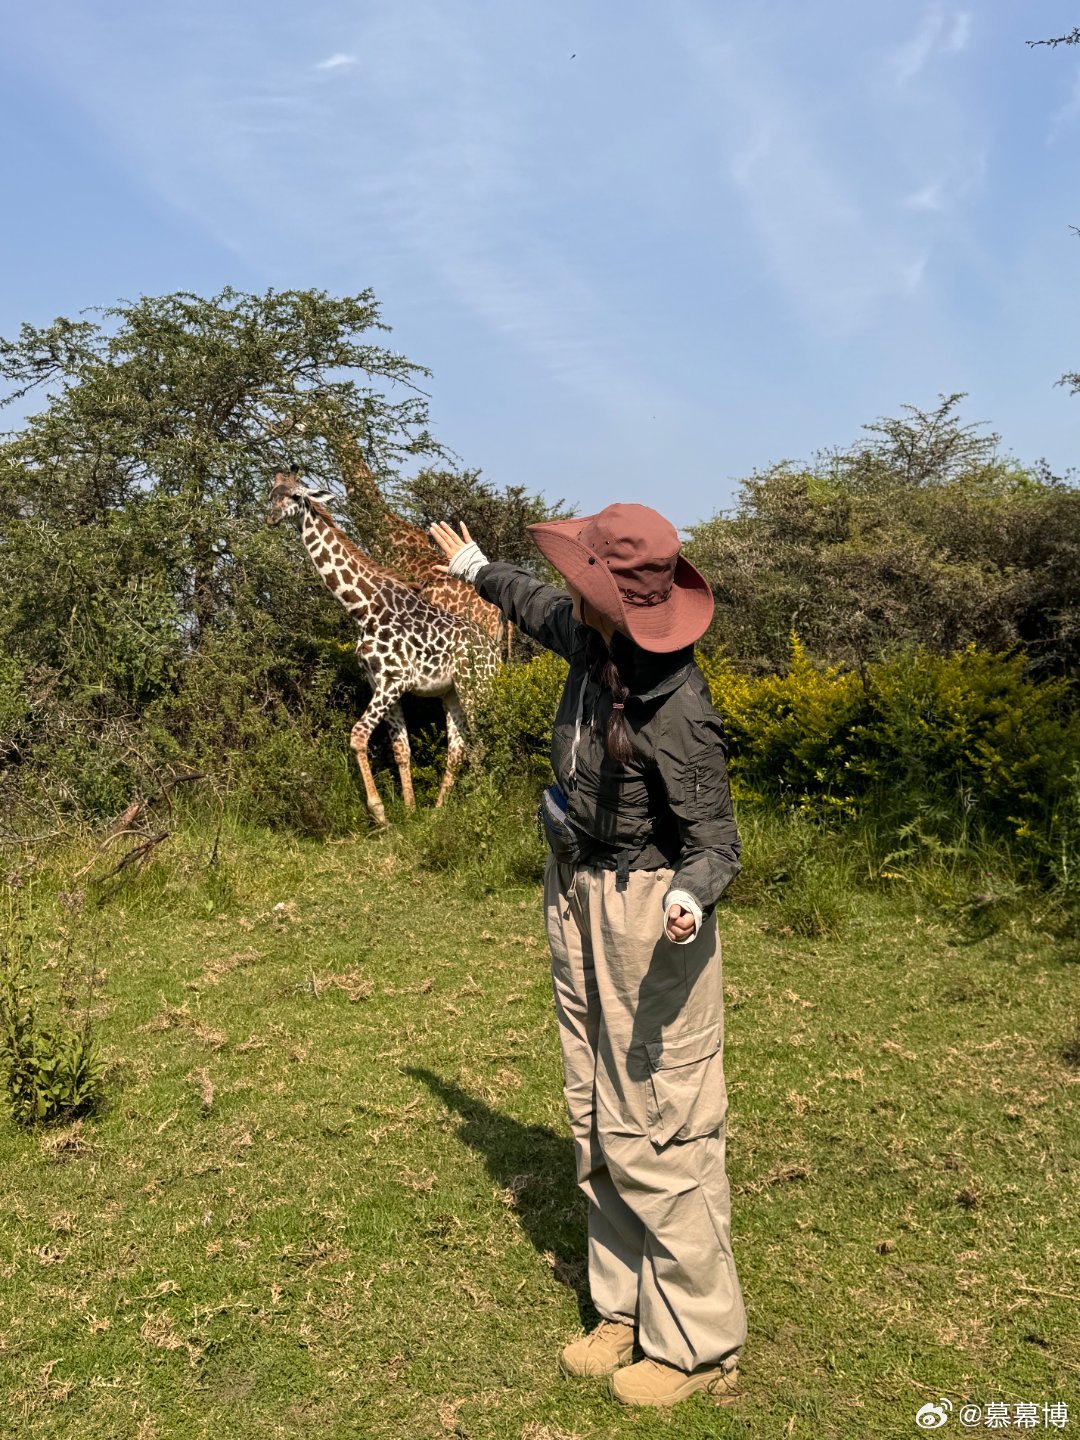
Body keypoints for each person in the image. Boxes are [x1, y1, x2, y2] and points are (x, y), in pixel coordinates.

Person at [428, 503, 747, 1410]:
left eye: (585, 580)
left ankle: (697, 1341)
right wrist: (477, 568)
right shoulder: (588, 636)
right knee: (593, 1100)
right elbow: (531, 604)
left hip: (650, 913)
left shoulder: (677, 703)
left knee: (662, 1117)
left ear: (619, 597)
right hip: (574, 892)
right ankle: (622, 1307)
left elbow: (716, 840)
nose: (570, 589)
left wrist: (689, 895)